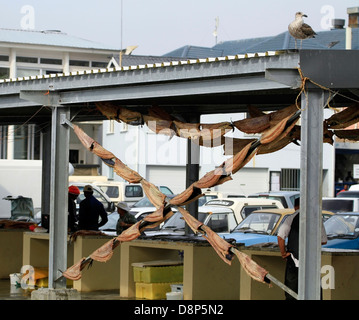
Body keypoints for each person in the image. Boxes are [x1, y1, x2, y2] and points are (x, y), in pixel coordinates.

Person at [277, 198, 327, 300]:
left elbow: (280, 236)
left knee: (291, 292)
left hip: (294, 260)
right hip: (312, 262)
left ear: (295, 207)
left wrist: (283, 253)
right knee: (314, 292)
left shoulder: (291, 217)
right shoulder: (317, 218)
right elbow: (323, 241)